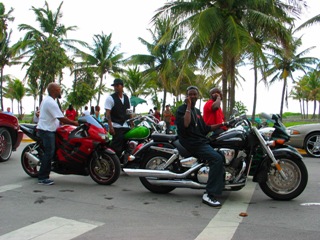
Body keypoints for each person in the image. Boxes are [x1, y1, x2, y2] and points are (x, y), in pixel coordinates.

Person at [176, 86, 228, 208]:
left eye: (195, 94)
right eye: (190, 94)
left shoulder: (197, 112)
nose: (193, 96)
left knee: (221, 156)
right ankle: (209, 194)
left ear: (198, 96)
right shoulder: (182, 109)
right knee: (216, 158)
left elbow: (205, 128)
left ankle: (219, 184)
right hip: (191, 142)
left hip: (200, 140)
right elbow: (186, 123)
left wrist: (224, 124)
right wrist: (188, 106)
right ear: (187, 96)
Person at [37, 82, 78, 185]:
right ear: (54, 91)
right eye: (59, 89)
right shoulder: (50, 102)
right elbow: (61, 117)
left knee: (54, 151)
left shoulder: (49, 100)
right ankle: (42, 177)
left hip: (50, 129)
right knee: (49, 152)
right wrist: (74, 123)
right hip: (47, 130)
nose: (60, 91)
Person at [104, 78, 133, 162]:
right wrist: (110, 127)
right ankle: (112, 162)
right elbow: (108, 114)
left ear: (122, 86)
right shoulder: (110, 98)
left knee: (127, 144)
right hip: (116, 125)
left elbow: (129, 111)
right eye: (114, 86)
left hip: (125, 125)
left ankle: (124, 161)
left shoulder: (126, 98)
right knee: (116, 146)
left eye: (117, 85)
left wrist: (131, 122)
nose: (116, 87)